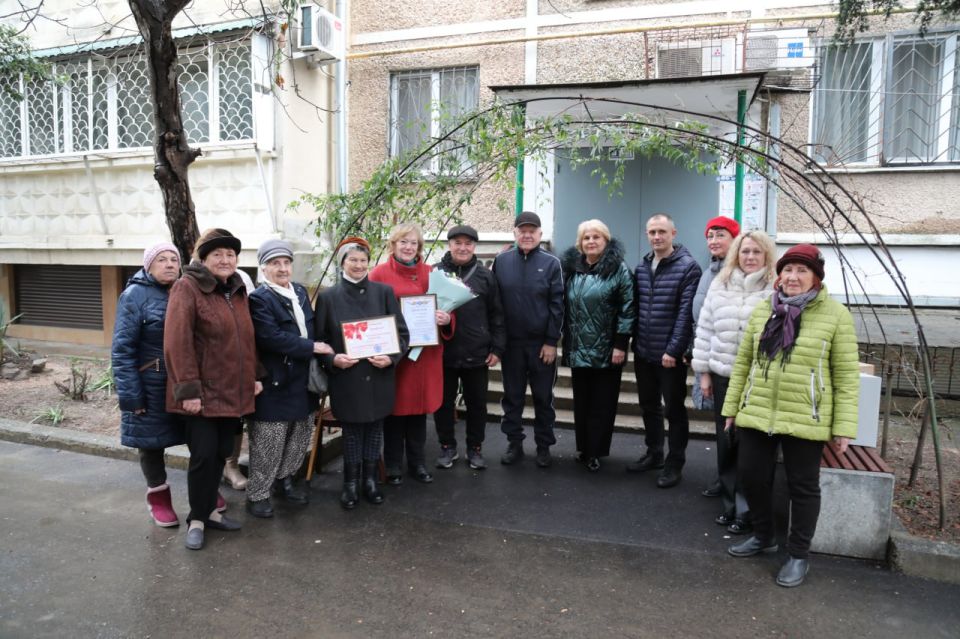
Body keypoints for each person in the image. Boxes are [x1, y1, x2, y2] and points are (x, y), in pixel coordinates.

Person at [723, 244, 859, 588]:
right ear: (778, 274)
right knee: (752, 476)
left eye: (801, 271)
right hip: (758, 410)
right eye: (787, 270)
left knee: (803, 487)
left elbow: (845, 376)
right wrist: (732, 408)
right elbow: (744, 363)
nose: (792, 277)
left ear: (815, 277)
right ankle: (764, 535)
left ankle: (798, 554)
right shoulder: (763, 310)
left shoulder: (835, 315)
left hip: (806, 416)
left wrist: (843, 426)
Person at [164, 228, 262, 550]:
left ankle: (210, 513)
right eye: (217, 254)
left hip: (233, 391)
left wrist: (255, 375)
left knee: (222, 452)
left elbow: (246, 339)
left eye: (230, 254)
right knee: (204, 457)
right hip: (202, 395)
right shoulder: (186, 287)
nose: (225, 259)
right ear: (202, 258)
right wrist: (188, 390)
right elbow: (177, 343)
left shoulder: (236, 290)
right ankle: (197, 518)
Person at [314, 237, 410, 509]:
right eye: (352, 260)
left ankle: (370, 481)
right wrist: (333, 360)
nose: (358, 265)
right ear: (342, 262)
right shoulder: (328, 297)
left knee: (376, 429)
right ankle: (350, 484)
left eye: (363, 260)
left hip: (379, 376)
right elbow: (320, 342)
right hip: (347, 378)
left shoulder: (383, 292)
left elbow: (402, 335)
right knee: (353, 432)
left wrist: (391, 358)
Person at [691, 231, 776, 535]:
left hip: (758, 381)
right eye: (744, 252)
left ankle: (747, 508)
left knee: (751, 447)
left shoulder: (775, 288)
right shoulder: (721, 282)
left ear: (766, 255)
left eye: (756, 252)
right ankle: (729, 504)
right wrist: (703, 372)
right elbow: (705, 329)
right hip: (722, 373)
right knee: (727, 442)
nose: (750, 257)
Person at [246, 240, 334, 518]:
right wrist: (312, 347)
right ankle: (258, 493)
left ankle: (285, 481)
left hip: (303, 380)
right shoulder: (260, 298)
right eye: (275, 263)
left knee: (299, 436)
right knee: (268, 441)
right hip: (276, 380)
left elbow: (311, 327)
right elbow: (270, 337)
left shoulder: (298, 291)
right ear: (264, 267)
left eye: (286, 262)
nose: (282, 268)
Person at [369, 223, 454, 485]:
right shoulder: (378, 274)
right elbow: (370, 310)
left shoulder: (433, 274)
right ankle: (393, 464)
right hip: (395, 356)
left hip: (424, 356)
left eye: (413, 243)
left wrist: (445, 318)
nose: (408, 247)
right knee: (395, 411)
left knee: (419, 410)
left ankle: (417, 462)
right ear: (393, 245)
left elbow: (449, 307)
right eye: (403, 242)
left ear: (420, 247)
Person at [112, 242, 186, 527]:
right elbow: (122, 349)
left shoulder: (184, 291)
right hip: (150, 383)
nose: (169, 264)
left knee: (200, 436)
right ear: (148, 266)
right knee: (151, 444)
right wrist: (131, 395)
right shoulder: (134, 295)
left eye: (174, 260)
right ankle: (159, 499)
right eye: (161, 260)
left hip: (183, 381)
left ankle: (205, 491)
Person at [628, 213, 701, 488]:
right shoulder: (643, 266)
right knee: (649, 406)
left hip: (669, 355)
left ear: (673, 232)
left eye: (661, 231)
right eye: (652, 232)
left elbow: (686, 314)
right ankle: (654, 453)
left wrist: (674, 349)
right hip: (645, 350)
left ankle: (674, 463)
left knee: (674, 409)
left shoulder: (688, 267)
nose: (656, 237)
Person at [560, 220, 635, 473]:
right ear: (579, 243)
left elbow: (628, 308)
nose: (591, 242)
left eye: (596, 237)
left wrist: (621, 344)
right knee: (582, 402)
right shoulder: (572, 269)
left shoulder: (619, 270)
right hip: (579, 348)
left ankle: (596, 452)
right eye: (586, 238)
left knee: (602, 404)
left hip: (607, 350)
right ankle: (584, 448)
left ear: (606, 240)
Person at [493, 211, 564, 468]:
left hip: (540, 346)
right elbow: (496, 306)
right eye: (522, 230)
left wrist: (550, 341)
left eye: (532, 230)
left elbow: (558, 306)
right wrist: (497, 344)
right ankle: (515, 443)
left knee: (543, 398)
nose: (527, 234)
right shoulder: (501, 262)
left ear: (540, 234)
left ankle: (544, 446)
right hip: (512, 345)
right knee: (512, 397)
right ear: (514, 233)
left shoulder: (552, 263)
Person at [433, 224, 506, 471]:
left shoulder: (486, 276)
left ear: (474, 247)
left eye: (468, 243)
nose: (462, 248)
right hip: (444, 352)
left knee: (477, 404)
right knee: (443, 403)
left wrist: (497, 348)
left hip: (478, 351)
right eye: (457, 243)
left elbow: (497, 314)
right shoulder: (436, 273)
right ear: (449, 245)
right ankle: (447, 446)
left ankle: (475, 448)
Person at [692, 216, 740, 498]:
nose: (713, 241)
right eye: (710, 236)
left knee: (732, 427)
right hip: (710, 355)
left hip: (731, 360)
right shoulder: (710, 270)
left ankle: (734, 486)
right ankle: (725, 480)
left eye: (720, 235)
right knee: (721, 426)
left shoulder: (736, 272)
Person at [222, 268, 257, 492]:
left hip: (242, 364)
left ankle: (230, 466)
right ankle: (222, 467)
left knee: (237, 419)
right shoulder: (190, 285)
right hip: (216, 365)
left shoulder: (241, 278)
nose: (224, 259)